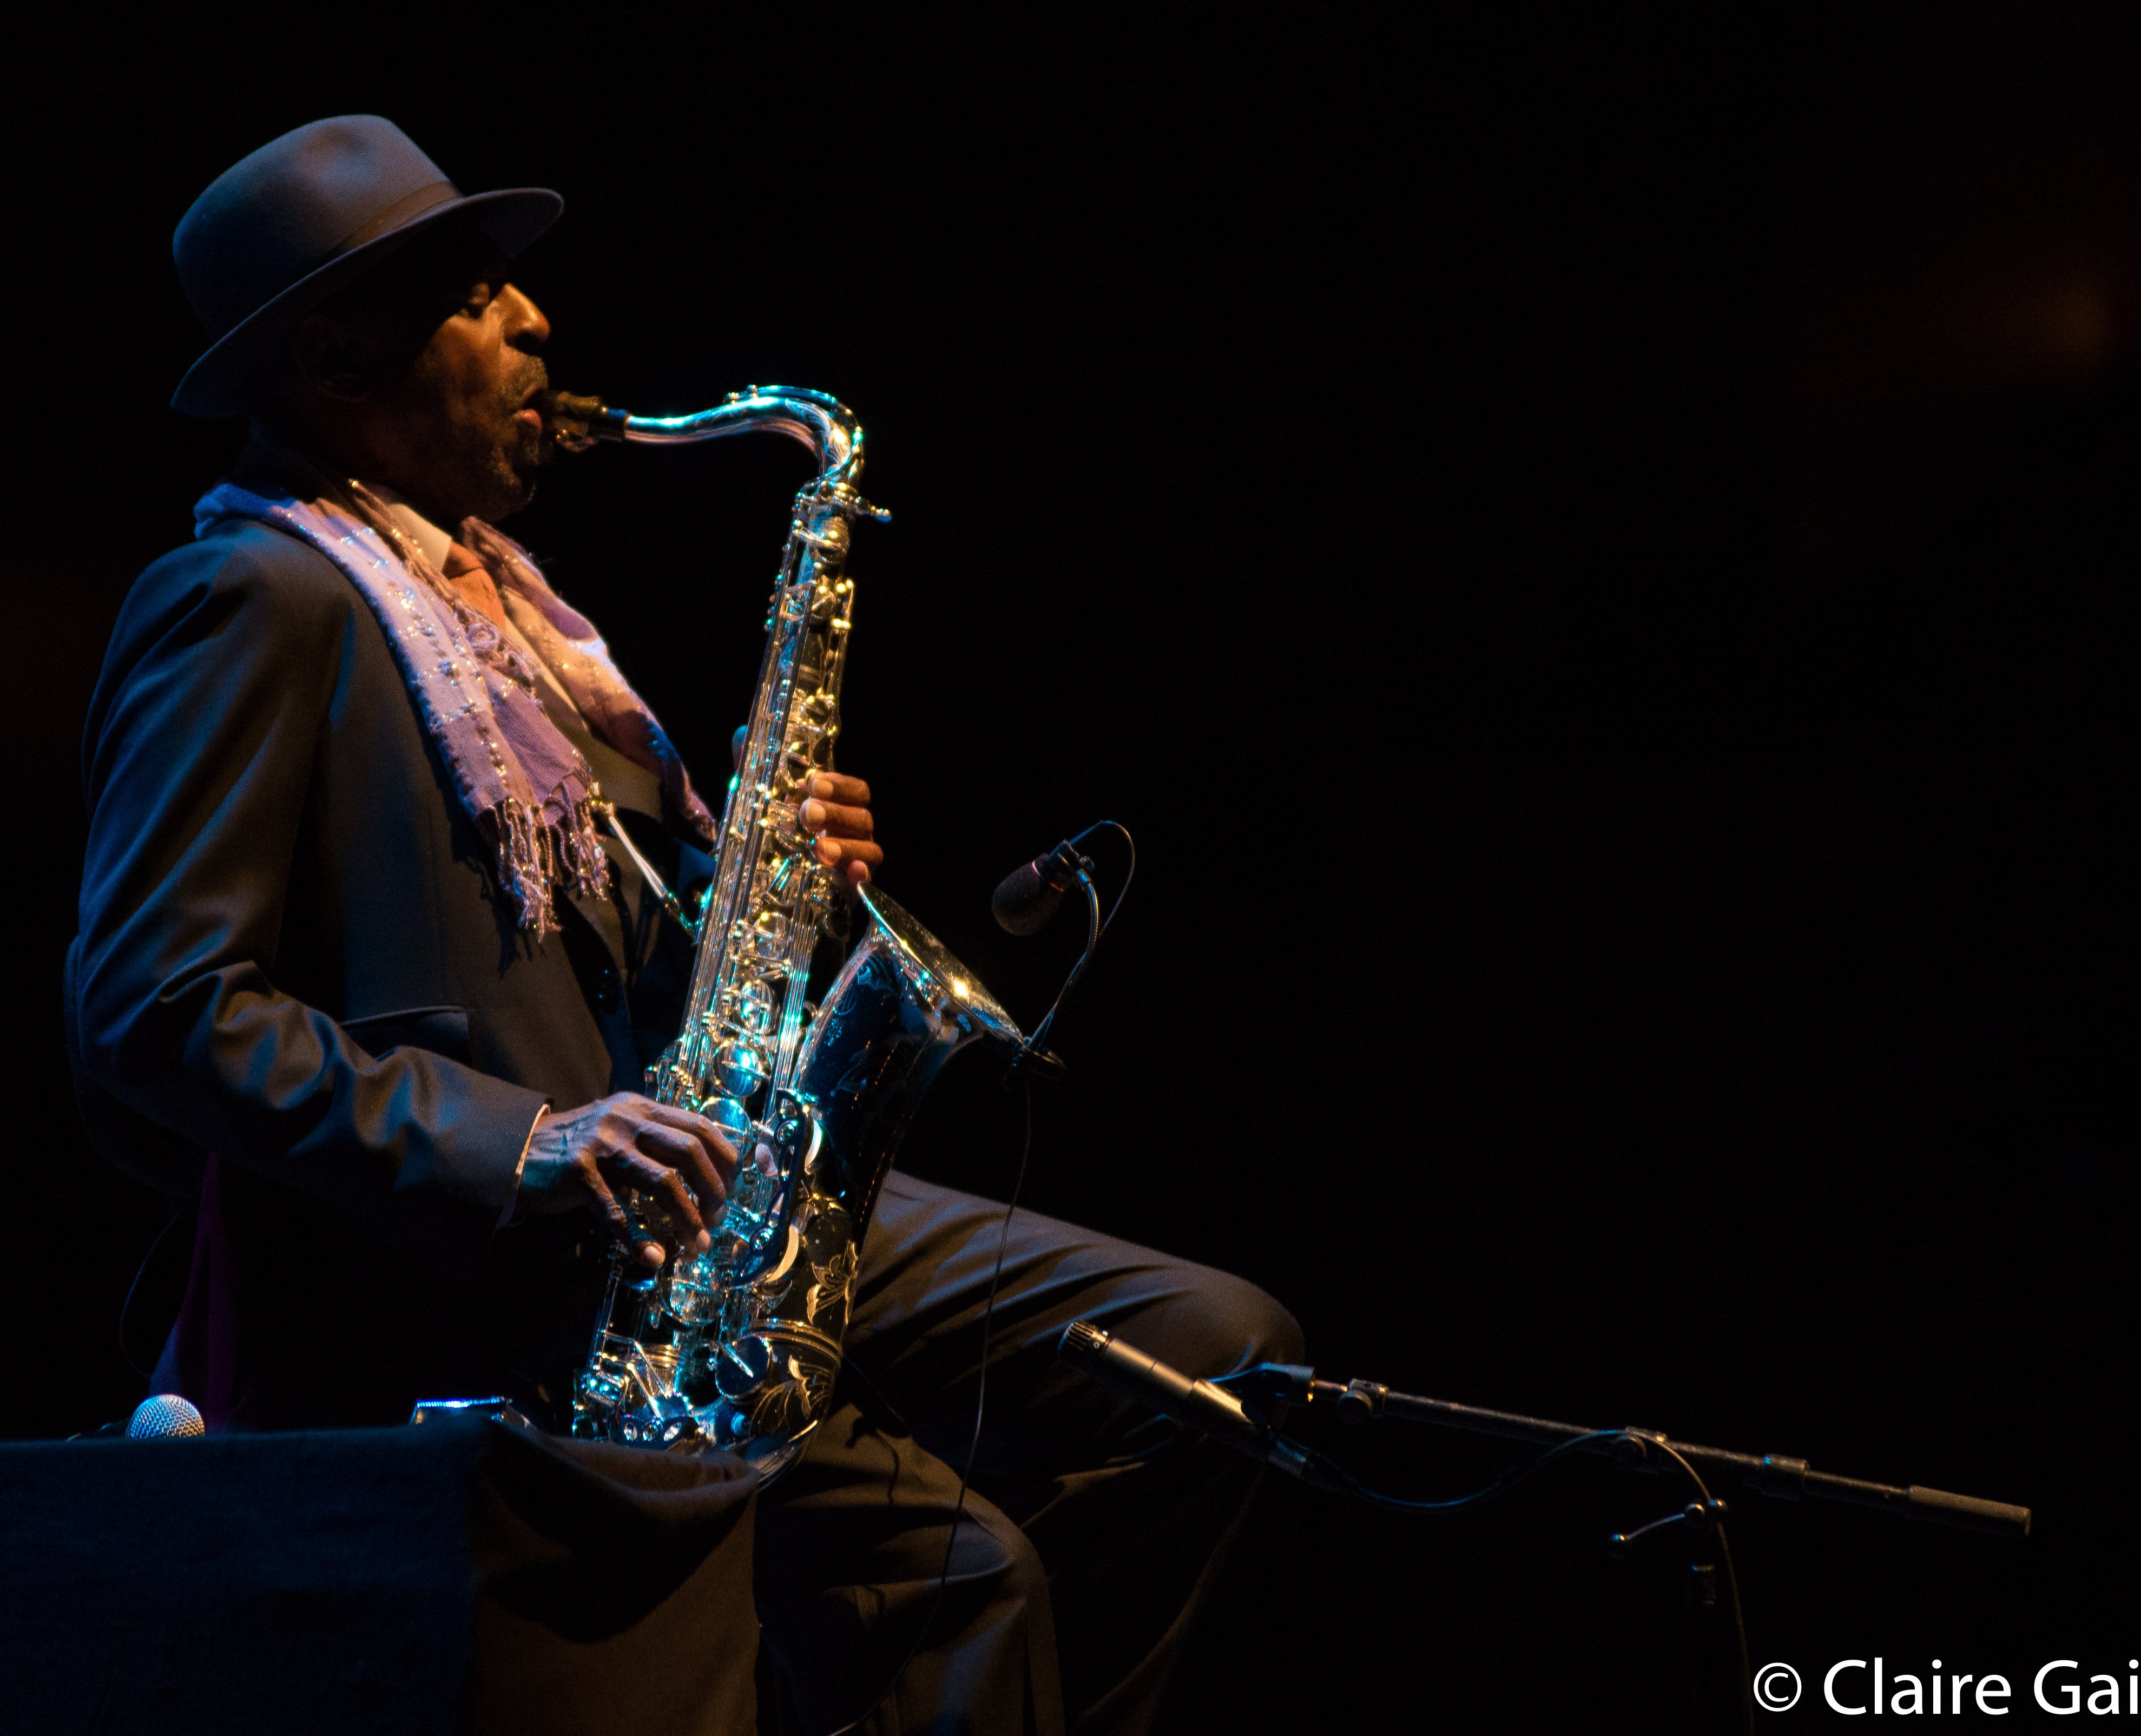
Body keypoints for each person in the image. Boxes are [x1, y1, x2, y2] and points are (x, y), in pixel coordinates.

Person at [66, 115, 1300, 1736]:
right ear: (337, 351)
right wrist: (525, 1145)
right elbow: (154, 1008)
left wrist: (768, 902)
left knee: (1219, 1359)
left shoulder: (514, 620)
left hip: (707, 1205)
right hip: (507, 1277)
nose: (537, 326)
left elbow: (630, 976)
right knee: (963, 1579)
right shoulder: (260, 596)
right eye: (478, 297)